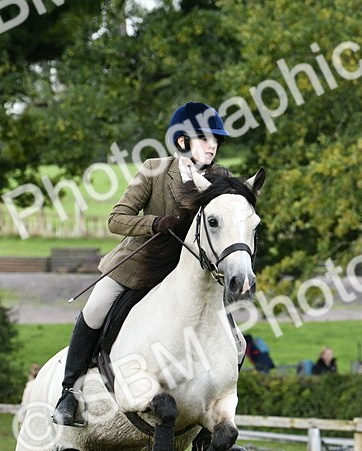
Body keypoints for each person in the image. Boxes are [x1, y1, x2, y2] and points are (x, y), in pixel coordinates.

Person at [52, 101, 233, 427]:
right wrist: (151, 224)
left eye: (216, 140)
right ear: (182, 142)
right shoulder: (155, 170)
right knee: (95, 309)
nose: (213, 146)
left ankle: (214, 417)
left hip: (185, 276)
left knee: (226, 333)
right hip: (139, 266)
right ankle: (69, 393)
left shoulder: (221, 178)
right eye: (205, 138)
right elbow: (116, 219)